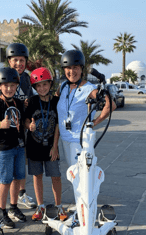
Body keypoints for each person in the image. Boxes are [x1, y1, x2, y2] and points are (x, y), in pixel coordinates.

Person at [56, 50, 116, 213]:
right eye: (68, 68)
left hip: (79, 142)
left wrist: (93, 123)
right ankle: (82, 207)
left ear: (81, 69)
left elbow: (111, 104)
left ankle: (84, 212)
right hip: (66, 140)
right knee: (76, 177)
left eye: (75, 68)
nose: (71, 71)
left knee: (82, 178)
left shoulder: (88, 88)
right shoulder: (63, 86)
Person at [0, 43, 36, 210]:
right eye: (15, 60)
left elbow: (29, 99)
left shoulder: (26, 78)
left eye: (22, 60)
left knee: (20, 162)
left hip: (19, 127)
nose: (19, 64)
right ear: (9, 61)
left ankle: (20, 195)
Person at [0, 67, 27, 229]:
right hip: (4, 149)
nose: (9, 88)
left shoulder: (19, 102)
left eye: (12, 85)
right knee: (5, 181)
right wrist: (0, 124)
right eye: (5, 85)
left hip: (20, 147)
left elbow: (24, 120)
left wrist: (31, 124)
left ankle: (14, 207)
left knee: (18, 178)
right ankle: (1, 211)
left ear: (17, 86)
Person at [24, 67, 65, 221]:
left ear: (50, 84)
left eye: (45, 84)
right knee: (37, 176)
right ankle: (40, 206)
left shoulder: (56, 102)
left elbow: (57, 125)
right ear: (35, 87)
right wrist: (29, 126)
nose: (42, 88)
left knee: (56, 176)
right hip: (34, 146)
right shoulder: (32, 101)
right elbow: (26, 120)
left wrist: (55, 147)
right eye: (38, 86)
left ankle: (59, 206)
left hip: (50, 147)